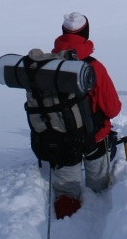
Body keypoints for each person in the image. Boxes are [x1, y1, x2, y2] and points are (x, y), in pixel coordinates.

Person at [48, 12, 121, 219]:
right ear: (86, 33)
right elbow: (113, 109)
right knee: (100, 187)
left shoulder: (47, 65)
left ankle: (67, 221)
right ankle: (101, 219)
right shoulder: (94, 67)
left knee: (65, 194)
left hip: (59, 139)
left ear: (63, 33)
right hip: (93, 139)